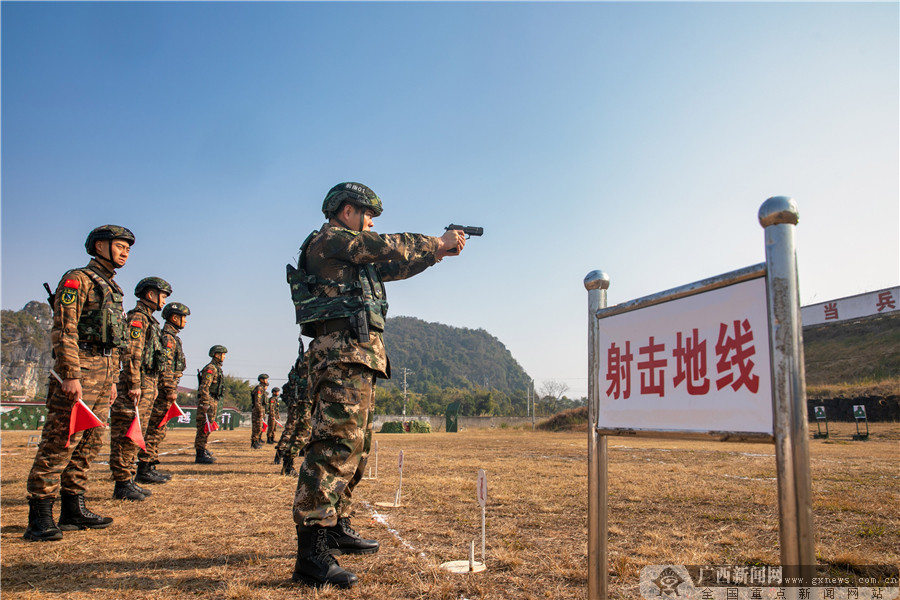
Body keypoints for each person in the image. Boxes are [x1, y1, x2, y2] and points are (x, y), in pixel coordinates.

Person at [289, 182, 466, 587]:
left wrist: (437, 253)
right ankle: (311, 552)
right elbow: (386, 247)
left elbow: (391, 266)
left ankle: (336, 524)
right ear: (346, 211)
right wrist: (433, 240)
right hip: (341, 352)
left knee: (359, 443)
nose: (369, 222)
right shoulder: (332, 239)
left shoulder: (350, 252)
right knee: (335, 445)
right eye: (366, 214)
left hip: (357, 353)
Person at [24, 225, 134, 541]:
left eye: (128, 246)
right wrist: (71, 374)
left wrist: (112, 379)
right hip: (81, 368)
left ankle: (73, 508)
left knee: (90, 441)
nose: (125, 251)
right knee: (61, 439)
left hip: (103, 370)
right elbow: (64, 330)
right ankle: (40, 516)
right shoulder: (78, 279)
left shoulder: (112, 288)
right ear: (99, 246)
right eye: (119, 244)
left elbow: (112, 341)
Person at [108, 277, 171, 500]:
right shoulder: (138, 319)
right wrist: (134, 384)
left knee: (137, 433)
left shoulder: (149, 321)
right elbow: (132, 354)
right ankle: (123, 482)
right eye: (162, 295)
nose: (163, 300)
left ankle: (129, 478)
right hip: (136, 385)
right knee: (127, 433)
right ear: (150, 295)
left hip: (146, 384)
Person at [137, 301, 190, 483]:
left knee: (159, 429)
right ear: (175, 318)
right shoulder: (168, 338)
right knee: (155, 428)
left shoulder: (172, 337)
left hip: (164, 388)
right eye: (183, 317)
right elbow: (166, 366)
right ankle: (145, 467)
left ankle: (150, 464)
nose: (185, 321)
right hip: (162, 390)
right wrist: (169, 388)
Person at [274, 350, 312, 476]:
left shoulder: (313, 351)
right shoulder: (312, 353)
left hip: (313, 397)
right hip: (307, 399)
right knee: (303, 430)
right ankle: (288, 462)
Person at [195, 345, 227, 464]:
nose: (224, 356)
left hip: (212, 400)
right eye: (222, 354)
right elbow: (204, 387)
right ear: (216, 355)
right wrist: (205, 403)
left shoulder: (216, 368)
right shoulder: (211, 369)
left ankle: (203, 448)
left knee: (207, 428)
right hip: (207, 401)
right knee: (203, 427)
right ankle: (200, 453)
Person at [250, 374, 269, 449]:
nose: (266, 381)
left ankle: (257, 441)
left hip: (261, 409)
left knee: (260, 427)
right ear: (261, 380)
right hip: (257, 410)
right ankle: (254, 442)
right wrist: (259, 410)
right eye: (265, 379)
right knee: (256, 427)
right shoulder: (259, 389)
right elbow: (257, 401)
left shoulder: (262, 389)